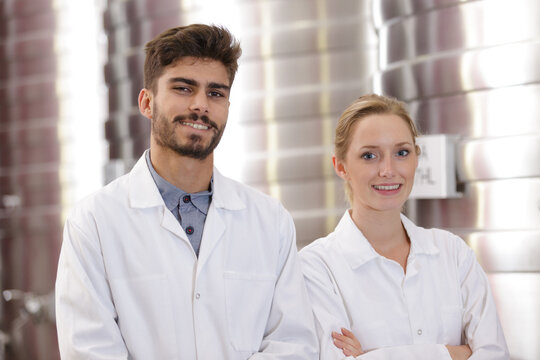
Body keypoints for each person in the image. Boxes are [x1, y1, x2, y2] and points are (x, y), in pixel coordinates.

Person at [55, 24, 318, 359]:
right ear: (147, 102)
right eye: (183, 88)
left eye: (216, 93)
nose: (200, 105)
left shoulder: (270, 220)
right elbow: (89, 350)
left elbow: (293, 344)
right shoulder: (93, 222)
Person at [299, 94, 509, 359]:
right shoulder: (316, 268)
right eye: (369, 155)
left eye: (402, 153)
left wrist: (374, 355)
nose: (388, 169)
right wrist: (453, 353)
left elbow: (495, 354)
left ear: (416, 158)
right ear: (341, 166)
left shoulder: (453, 253)